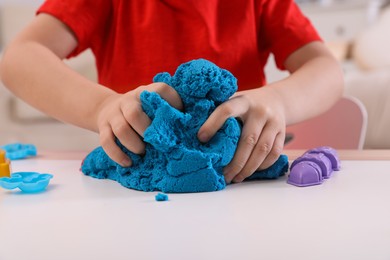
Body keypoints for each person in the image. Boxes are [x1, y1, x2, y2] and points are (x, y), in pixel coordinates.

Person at [0, 0, 343, 184]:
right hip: (136, 189)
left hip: (240, 183)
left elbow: (326, 70)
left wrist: (278, 100)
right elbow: (19, 58)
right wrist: (102, 106)